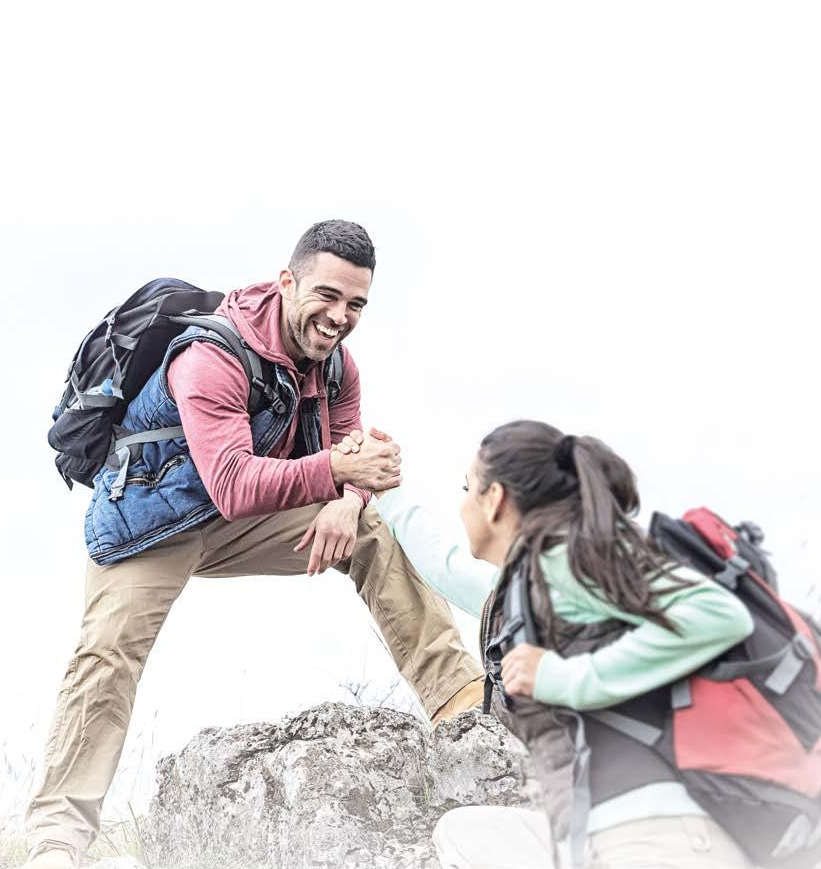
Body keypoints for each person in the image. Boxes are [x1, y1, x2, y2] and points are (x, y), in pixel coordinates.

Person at [24, 221, 484, 869]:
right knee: (107, 656)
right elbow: (235, 483)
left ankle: (462, 706)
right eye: (327, 295)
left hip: (244, 518)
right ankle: (55, 842)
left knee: (374, 531)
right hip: (150, 522)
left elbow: (349, 454)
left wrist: (348, 500)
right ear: (287, 281)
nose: (339, 317)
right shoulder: (209, 356)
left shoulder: (337, 366)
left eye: (356, 303)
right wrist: (338, 472)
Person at [338, 420, 757, 869]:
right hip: (606, 831)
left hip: (664, 836)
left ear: (495, 499)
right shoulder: (533, 587)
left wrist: (570, 678)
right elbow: (447, 568)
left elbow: (722, 614)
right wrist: (389, 491)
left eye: (466, 489)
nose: (462, 505)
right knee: (463, 833)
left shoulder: (577, 563)